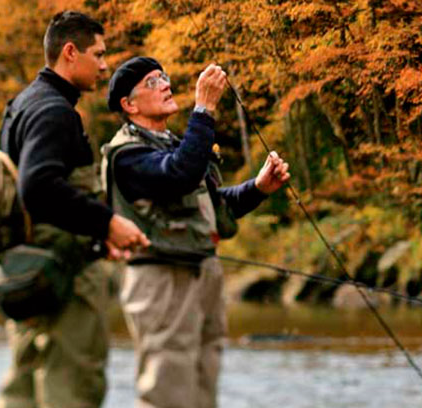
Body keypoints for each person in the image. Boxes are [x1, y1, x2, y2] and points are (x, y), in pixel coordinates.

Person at [102, 57, 290, 408]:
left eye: (164, 78)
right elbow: (179, 175)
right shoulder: (126, 155)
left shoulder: (174, 145)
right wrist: (203, 109)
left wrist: (259, 188)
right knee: (167, 392)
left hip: (203, 273)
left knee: (204, 389)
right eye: (152, 83)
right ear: (129, 105)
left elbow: (213, 208)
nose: (165, 85)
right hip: (161, 281)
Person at [0, 12, 149, 408]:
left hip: (27, 271)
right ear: (69, 52)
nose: (104, 64)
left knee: (23, 391)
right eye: (98, 54)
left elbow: (34, 199)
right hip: (67, 280)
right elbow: (38, 186)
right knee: (73, 390)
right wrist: (108, 224)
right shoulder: (54, 112)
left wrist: (98, 236)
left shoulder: (22, 104)